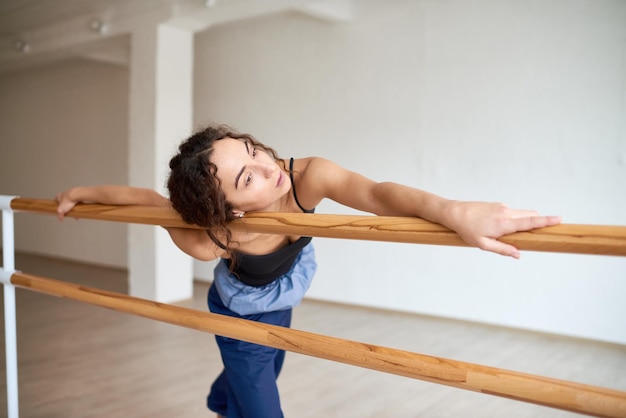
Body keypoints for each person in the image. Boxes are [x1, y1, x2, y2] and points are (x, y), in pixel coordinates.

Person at [55, 124, 561, 418]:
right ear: (227, 208)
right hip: (243, 316)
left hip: (286, 294)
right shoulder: (212, 240)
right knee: (261, 399)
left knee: (268, 370)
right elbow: (148, 200)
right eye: (246, 177)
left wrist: (449, 209)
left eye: (252, 151)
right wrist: (81, 194)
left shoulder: (306, 177)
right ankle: (235, 391)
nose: (266, 166)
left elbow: (378, 194)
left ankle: (223, 394)